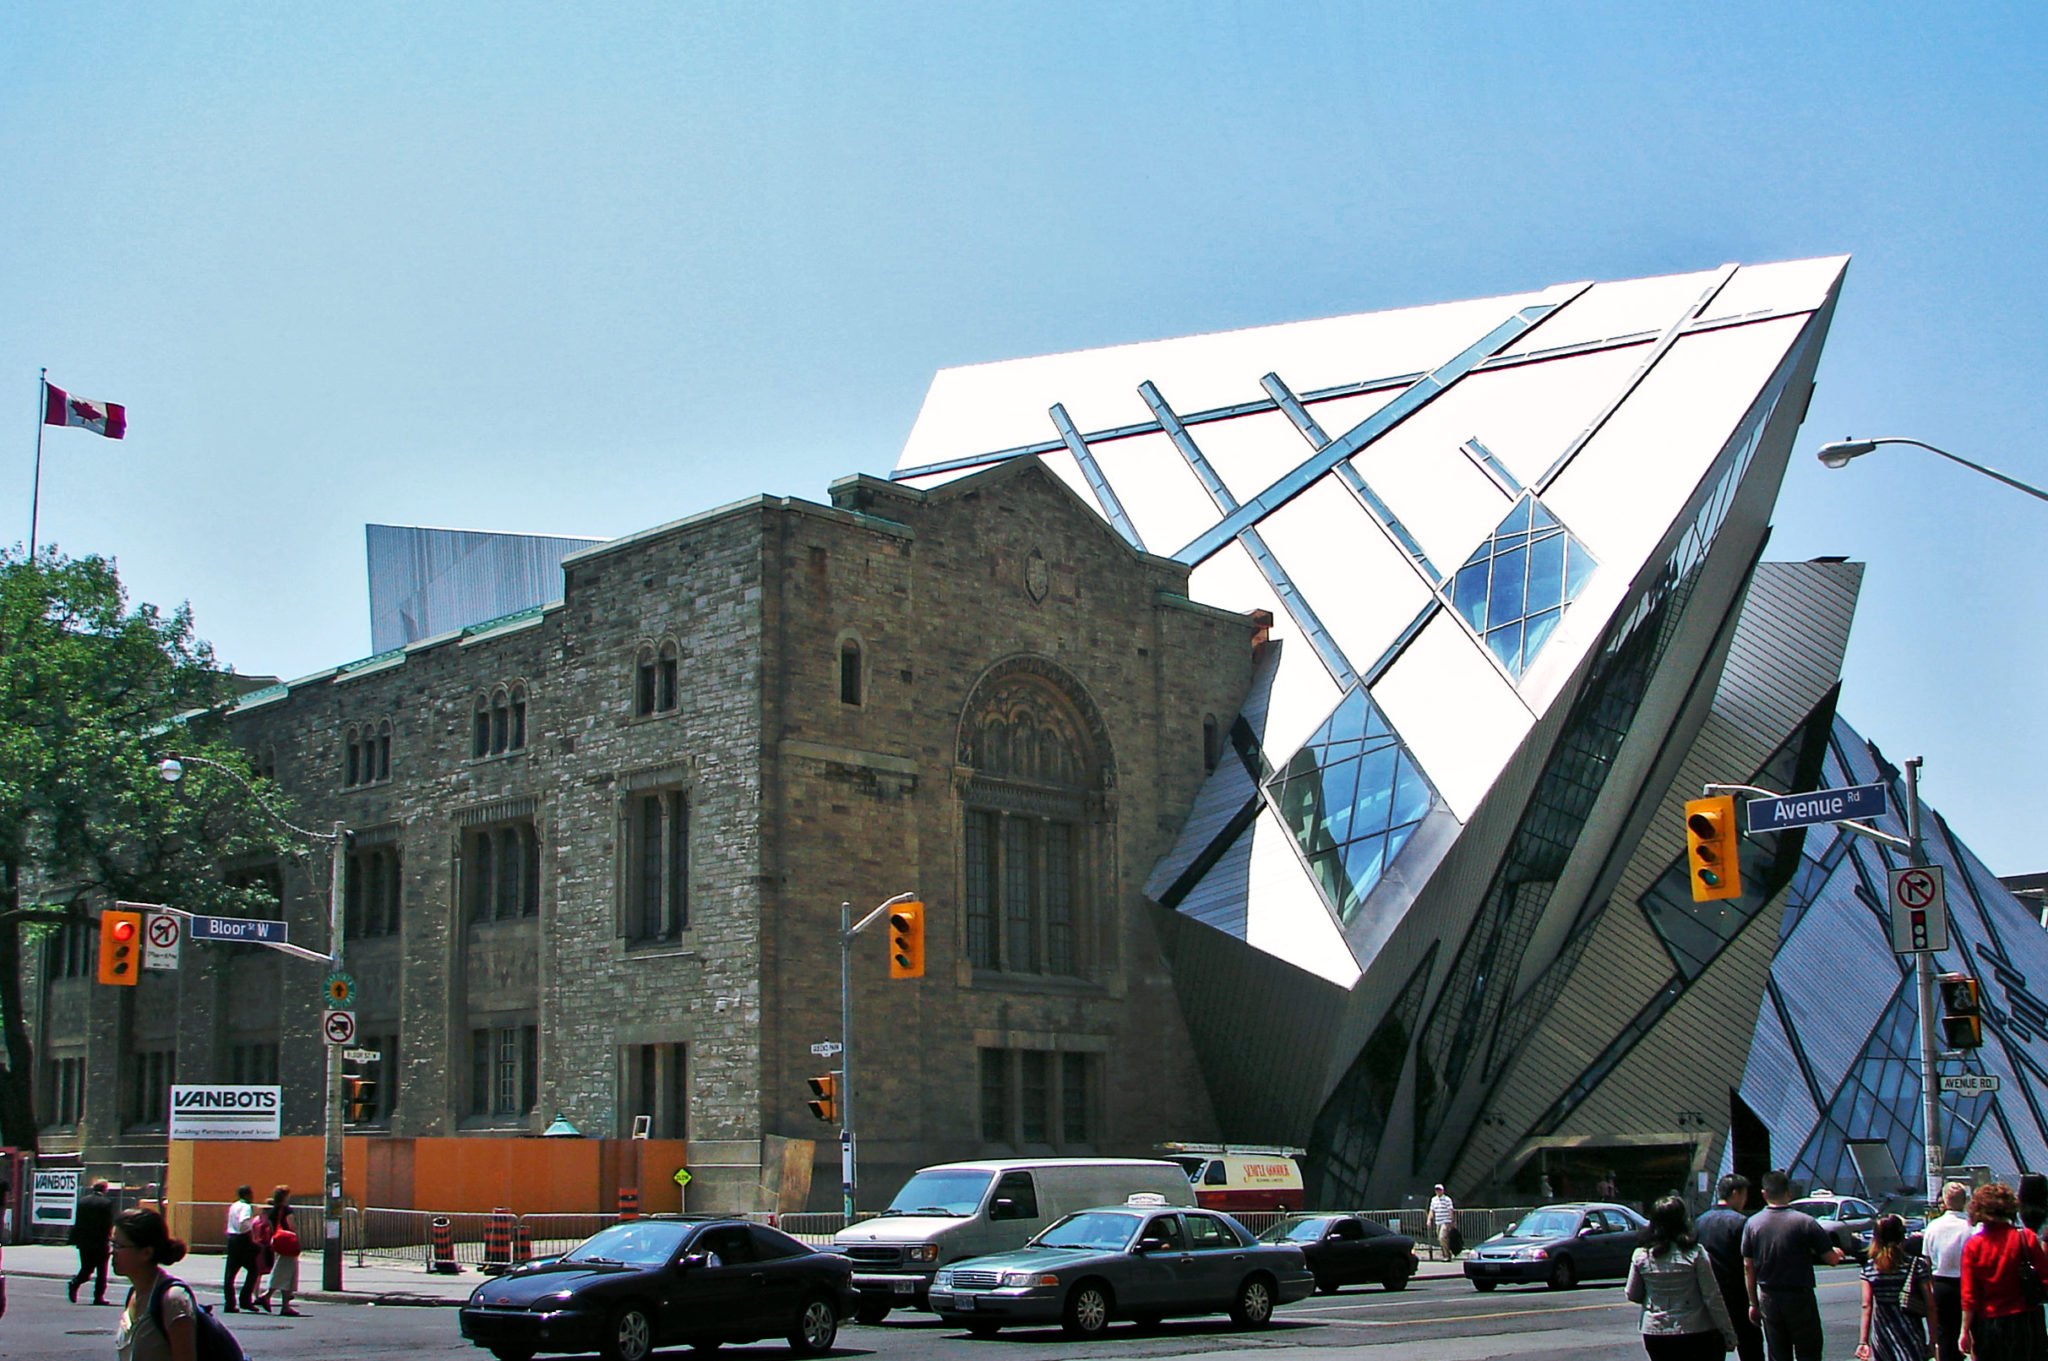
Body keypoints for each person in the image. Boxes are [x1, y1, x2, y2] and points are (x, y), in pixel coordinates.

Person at [1743, 1168, 1843, 1361]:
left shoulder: (1752, 1224)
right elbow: (1831, 1259)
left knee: (1778, 1353)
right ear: (1789, 1192)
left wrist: (1753, 1303)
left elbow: (1748, 1266)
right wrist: (1837, 1253)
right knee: (1809, 1351)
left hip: (1769, 1297)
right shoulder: (1805, 1222)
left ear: (1764, 1193)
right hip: (1800, 1297)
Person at [1626, 1195, 1738, 1359]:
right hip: (1695, 1329)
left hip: (1655, 1331)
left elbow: (1632, 1294)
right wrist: (1728, 1332)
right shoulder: (1695, 1253)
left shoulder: (1641, 1255)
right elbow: (1712, 1296)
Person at [1959, 1180, 2048, 1361]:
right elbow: (2045, 1277)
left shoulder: (1974, 1246)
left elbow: (1970, 1295)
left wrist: (1965, 1330)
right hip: (2026, 1320)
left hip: (1989, 1321)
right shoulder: (2026, 1238)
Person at [112, 1207, 197, 1361]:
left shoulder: (173, 1300)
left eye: (119, 1246)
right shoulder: (134, 1294)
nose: (112, 1252)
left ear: (146, 1252)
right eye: (112, 1244)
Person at [1697, 1174, 1765, 1361]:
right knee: (1751, 1349)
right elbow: (1748, 1264)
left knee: (1714, 1350)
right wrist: (1754, 1302)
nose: (1745, 1200)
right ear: (1735, 1194)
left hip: (1709, 1297)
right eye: (1744, 1195)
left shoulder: (1700, 1222)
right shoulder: (1741, 1222)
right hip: (1738, 1296)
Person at [1857, 1214, 1937, 1361]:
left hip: (1882, 1333)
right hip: (1910, 1332)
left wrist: (1863, 1341)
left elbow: (1866, 1305)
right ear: (1902, 1236)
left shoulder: (1869, 1268)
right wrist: (1933, 1339)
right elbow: (1930, 1304)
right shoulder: (1916, 1265)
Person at [1921, 1180, 1973, 1361]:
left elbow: (1926, 1260)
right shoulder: (1971, 1227)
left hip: (1941, 1283)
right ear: (1965, 1201)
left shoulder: (1933, 1227)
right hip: (1967, 1283)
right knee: (1970, 1332)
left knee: (1945, 1335)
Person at [255, 1185, 301, 1316]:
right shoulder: (286, 1210)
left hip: (277, 1242)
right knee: (285, 1273)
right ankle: (268, 1296)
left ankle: (284, 1305)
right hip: (287, 1243)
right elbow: (291, 1225)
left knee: (286, 1274)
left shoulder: (272, 1210)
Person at [68, 1178, 116, 1305]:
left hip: (84, 1241)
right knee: (101, 1271)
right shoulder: (106, 1203)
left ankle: (75, 1282)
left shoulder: (82, 1202)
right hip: (100, 1241)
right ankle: (98, 1297)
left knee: (86, 1268)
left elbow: (77, 1222)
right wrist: (110, 1239)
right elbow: (107, 1224)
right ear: (105, 1189)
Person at [222, 1184, 258, 1313]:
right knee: (253, 1270)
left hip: (232, 1238)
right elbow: (243, 1222)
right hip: (242, 1239)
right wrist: (251, 1228)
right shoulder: (246, 1207)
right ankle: (245, 1299)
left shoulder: (234, 1206)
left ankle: (229, 1303)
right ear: (247, 1195)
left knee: (230, 1273)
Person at [1429, 1184, 1458, 1260]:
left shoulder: (1447, 1199)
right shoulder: (1433, 1199)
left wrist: (1452, 1221)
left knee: (1442, 1237)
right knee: (1440, 1239)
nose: (1437, 1191)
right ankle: (1447, 1252)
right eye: (1436, 1190)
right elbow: (1432, 1210)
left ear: (1443, 1191)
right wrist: (1429, 1220)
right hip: (1438, 1221)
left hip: (1446, 1221)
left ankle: (1446, 1255)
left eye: (1439, 1190)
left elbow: (1450, 1210)